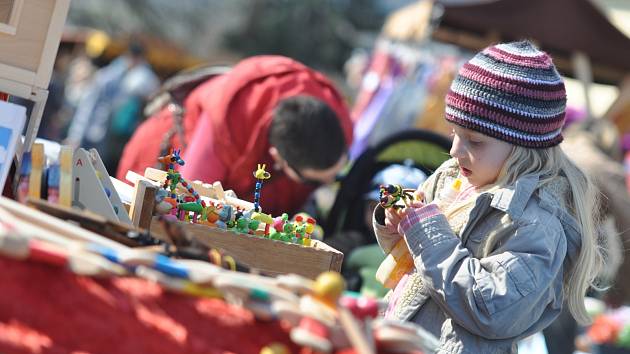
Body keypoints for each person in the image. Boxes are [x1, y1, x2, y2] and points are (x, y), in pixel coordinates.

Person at [373, 41, 602, 353]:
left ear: (523, 146)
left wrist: (425, 232)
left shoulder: (536, 224)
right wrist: (396, 224)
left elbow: (488, 307)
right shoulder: (454, 176)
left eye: (475, 140)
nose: (455, 151)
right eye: (454, 133)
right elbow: (415, 256)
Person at [117, 55, 353, 216]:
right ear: (278, 159)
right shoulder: (231, 117)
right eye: (313, 182)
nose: (326, 186)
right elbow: (185, 204)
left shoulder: (339, 124)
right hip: (166, 153)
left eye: (337, 172)